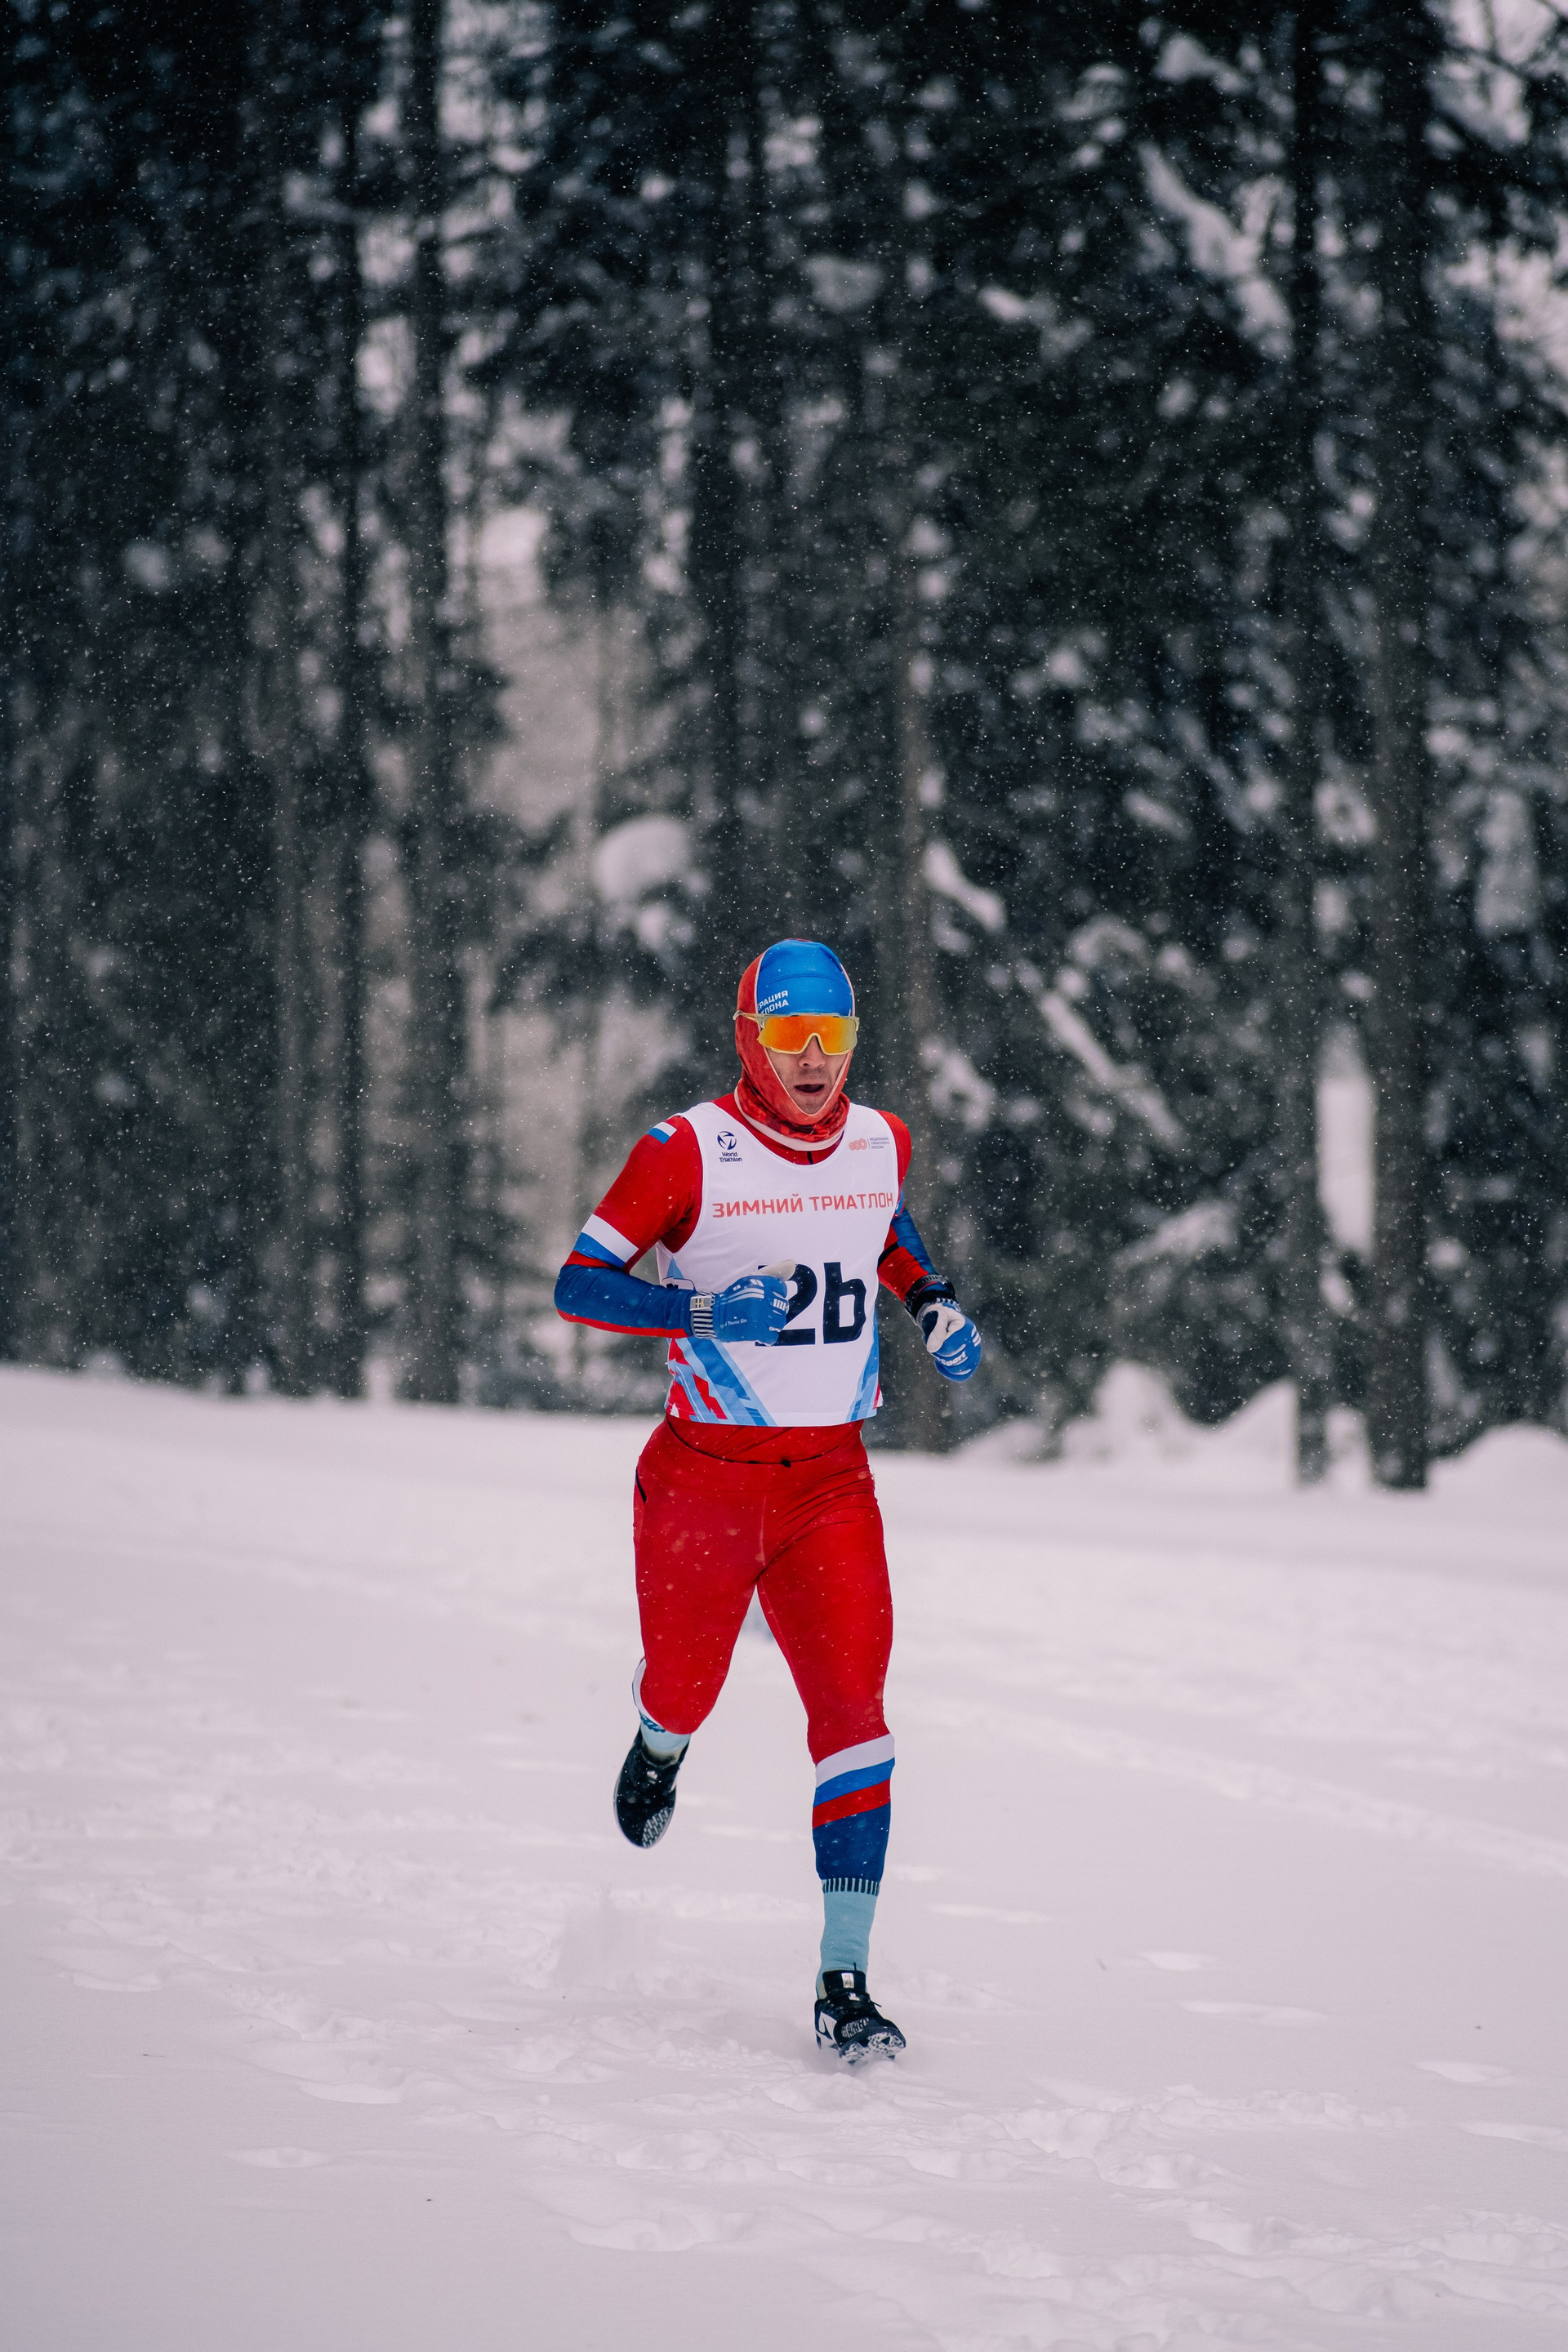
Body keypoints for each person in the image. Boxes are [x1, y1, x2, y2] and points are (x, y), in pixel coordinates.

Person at [554, 938, 982, 2061]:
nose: (813, 1059)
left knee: (855, 1719)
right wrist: (697, 1313)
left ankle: (845, 1981)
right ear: (749, 1038)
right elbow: (579, 1282)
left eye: (833, 1036)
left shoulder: (880, 1139)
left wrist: (930, 1302)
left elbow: (879, 1226)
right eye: (790, 1035)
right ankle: (660, 1740)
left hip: (830, 1486)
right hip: (701, 1483)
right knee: (686, 1687)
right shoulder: (686, 1151)